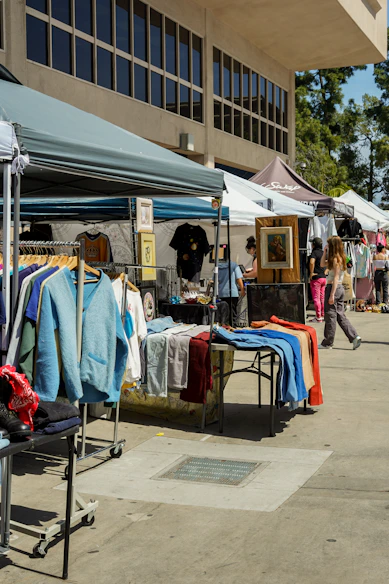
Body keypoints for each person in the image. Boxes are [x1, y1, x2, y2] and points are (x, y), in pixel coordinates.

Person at [319, 236, 362, 350]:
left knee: (330, 315)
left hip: (334, 287)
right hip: (339, 288)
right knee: (340, 315)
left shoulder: (336, 259)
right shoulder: (340, 257)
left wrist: (332, 295)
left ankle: (328, 342)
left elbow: (336, 278)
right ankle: (354, 337)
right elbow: (322, 264)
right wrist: (325, 252)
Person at [308, 237, 327, 323]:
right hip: (323, 278)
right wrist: (325, 272)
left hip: (316, 278)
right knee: (322, 298)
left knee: (316, 298)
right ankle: (323, 315)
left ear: (314, 245)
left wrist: (311, 273)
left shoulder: (314, 253)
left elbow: (312, 262)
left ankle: (318, 317)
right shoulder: (323, 253)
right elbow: (329, 263)